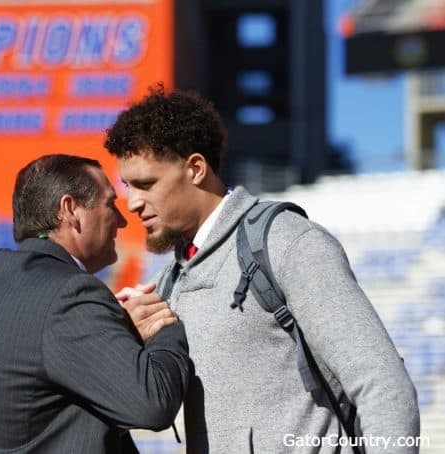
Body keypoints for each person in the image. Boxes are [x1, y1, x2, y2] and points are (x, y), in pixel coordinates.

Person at [105, 86, 420, 453]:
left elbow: (384, 384)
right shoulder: (171, 279)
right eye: (128, 186)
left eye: (146, 184)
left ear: (195, 169)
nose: (133, 202)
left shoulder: (286, 241)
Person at [0, 154, 191, 453]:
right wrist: (163, 326)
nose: (121, 219)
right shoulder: (70, 293)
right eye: (110, 204)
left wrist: (118, 328)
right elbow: (153, 404)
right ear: (70, 210)